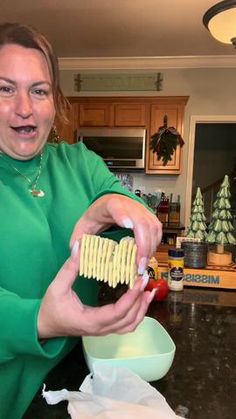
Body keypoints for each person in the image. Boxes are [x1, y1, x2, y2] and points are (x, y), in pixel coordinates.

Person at [0, 22, 162, 419]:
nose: (25, 107)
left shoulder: (79, 162)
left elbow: (119, 200)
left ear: (54, 102)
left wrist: (117, 205)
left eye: (38, 91)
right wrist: (40, 319)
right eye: (5, 89)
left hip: (83, 375)